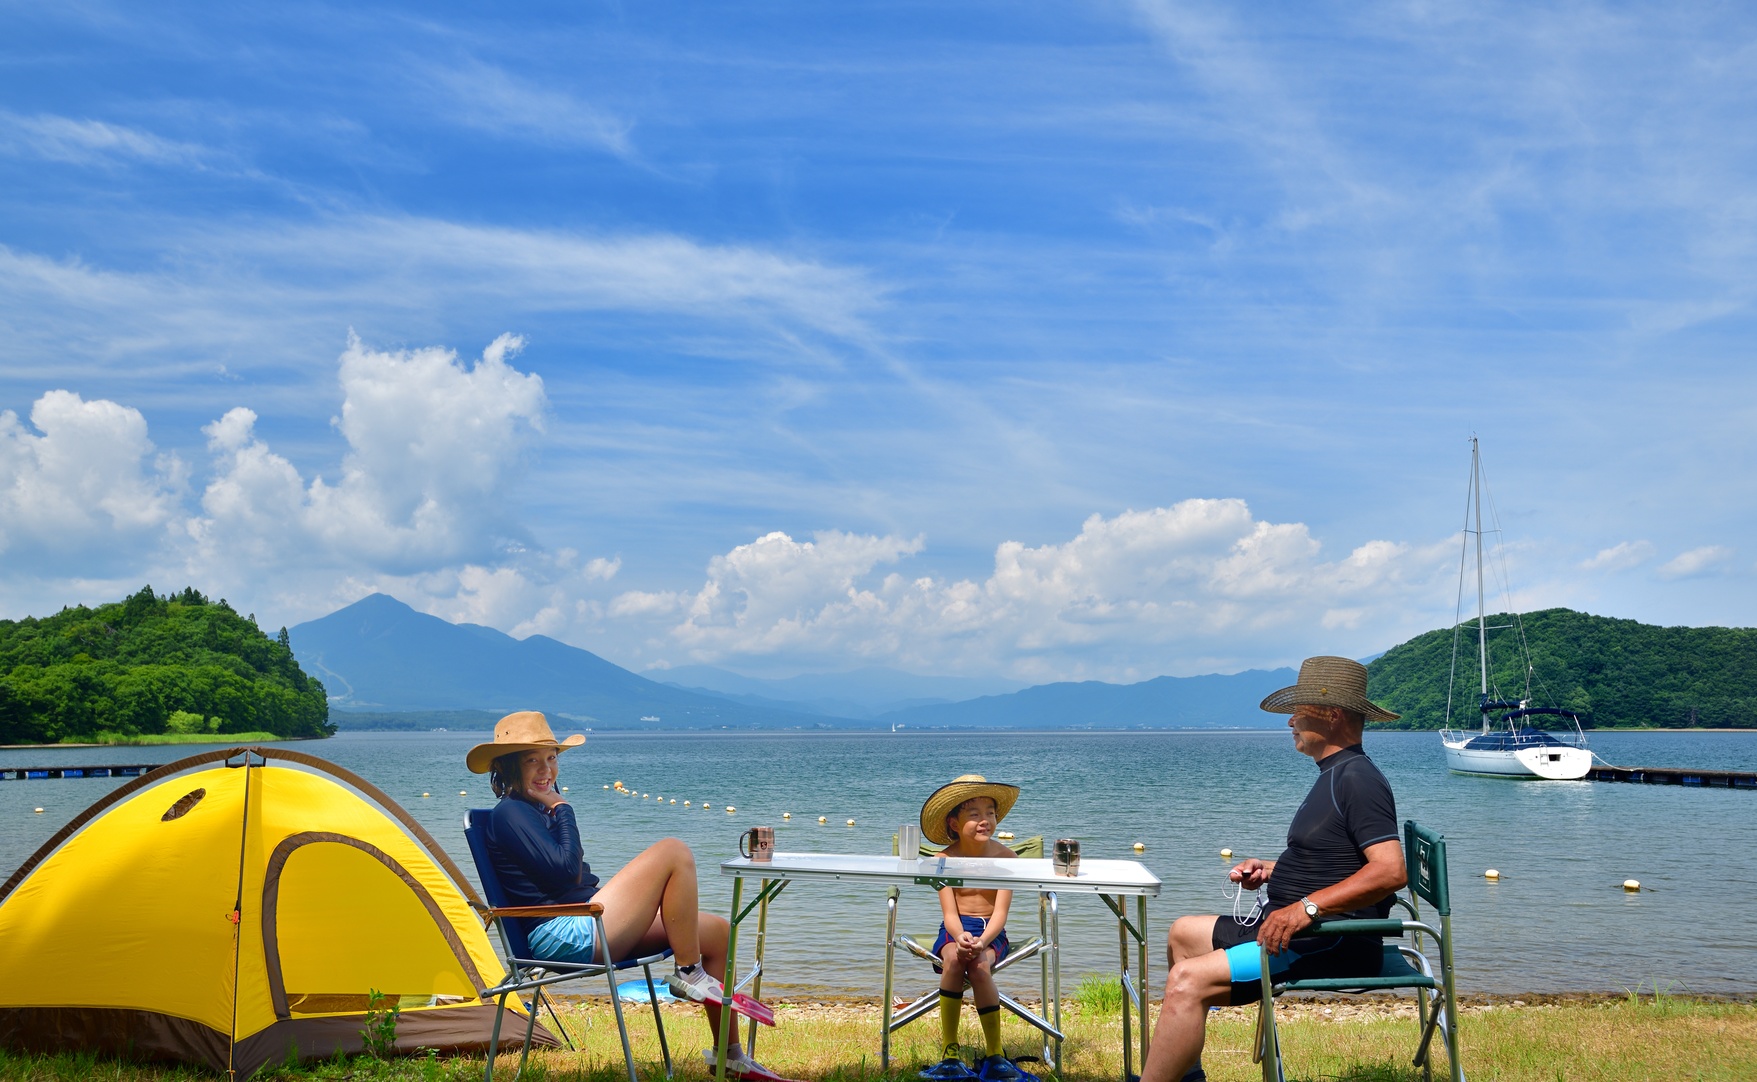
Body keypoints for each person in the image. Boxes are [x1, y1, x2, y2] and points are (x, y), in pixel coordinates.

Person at [467, 711, 791, 1082]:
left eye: (551, 758)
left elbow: (565, 875)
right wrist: (563, 809)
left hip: (585, 921)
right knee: (673, 851)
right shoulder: (511, 813)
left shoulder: (533, 811)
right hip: (562, 935)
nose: (546, 770)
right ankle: (688, 972)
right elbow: (565, 870)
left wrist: (555, 812)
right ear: (509, 768)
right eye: (532, 760)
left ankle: (730, 1058)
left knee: (718, 933)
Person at [1140, 657, 1409, 1082]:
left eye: (1298, 710)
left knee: (1188, 980)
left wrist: (1306, 908)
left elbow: (1391, 871)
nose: (1290, 722)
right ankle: (1185, 1075)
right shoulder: (1334, 774)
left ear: (1332, 715)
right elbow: (1335, 858)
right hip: (1292, 927)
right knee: (1182, 934)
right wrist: (1273, 868)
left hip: (1327, 941)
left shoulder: (1358, 779)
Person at [917, 774, 1024, 1082]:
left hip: (992, 930)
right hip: (956, 926)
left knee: (978, 965)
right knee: (952, 958)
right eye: (974, 814)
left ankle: (995, 1055)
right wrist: (960, 935)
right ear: (953, 822)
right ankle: (950, 1053)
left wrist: (982, 940)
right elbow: (949, 914)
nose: (984, 820)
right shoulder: (943, 859)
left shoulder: (1008, 858)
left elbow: (1001, 915)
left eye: (990, 813)